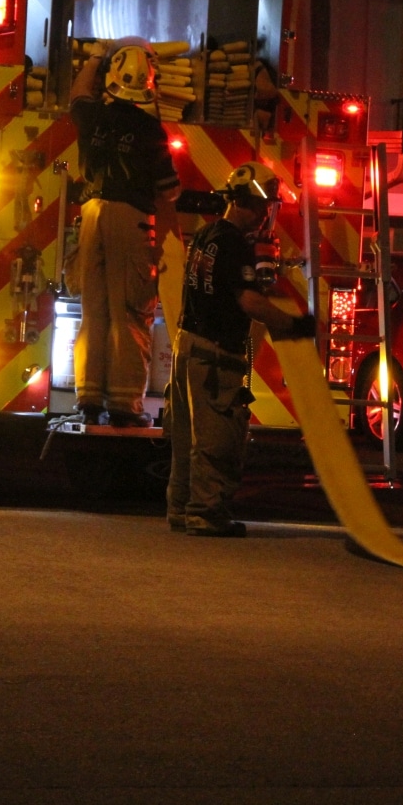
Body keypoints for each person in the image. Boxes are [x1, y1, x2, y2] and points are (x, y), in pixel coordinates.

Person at [167, 162, 312, 537]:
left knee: (187, 439)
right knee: (217, 436)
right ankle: (206, 513)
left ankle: (181, 509)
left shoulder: (205, 235)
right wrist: (293, 325)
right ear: (251, 204)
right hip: (215, 355)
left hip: (187, 348)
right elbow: (249, 301)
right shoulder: (234, 244)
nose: (266, 216)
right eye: (265, 208)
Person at [68, 41, 180, 427]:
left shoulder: (92, 116)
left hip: (91, 215)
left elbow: (78, 93)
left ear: (111, 79)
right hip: (130, 218)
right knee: (129, 311)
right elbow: (168, 189)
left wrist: (96, 57)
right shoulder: (151, 130)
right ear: (152, 83)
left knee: (93, 311)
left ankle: (88, 397)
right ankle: (124, 404)